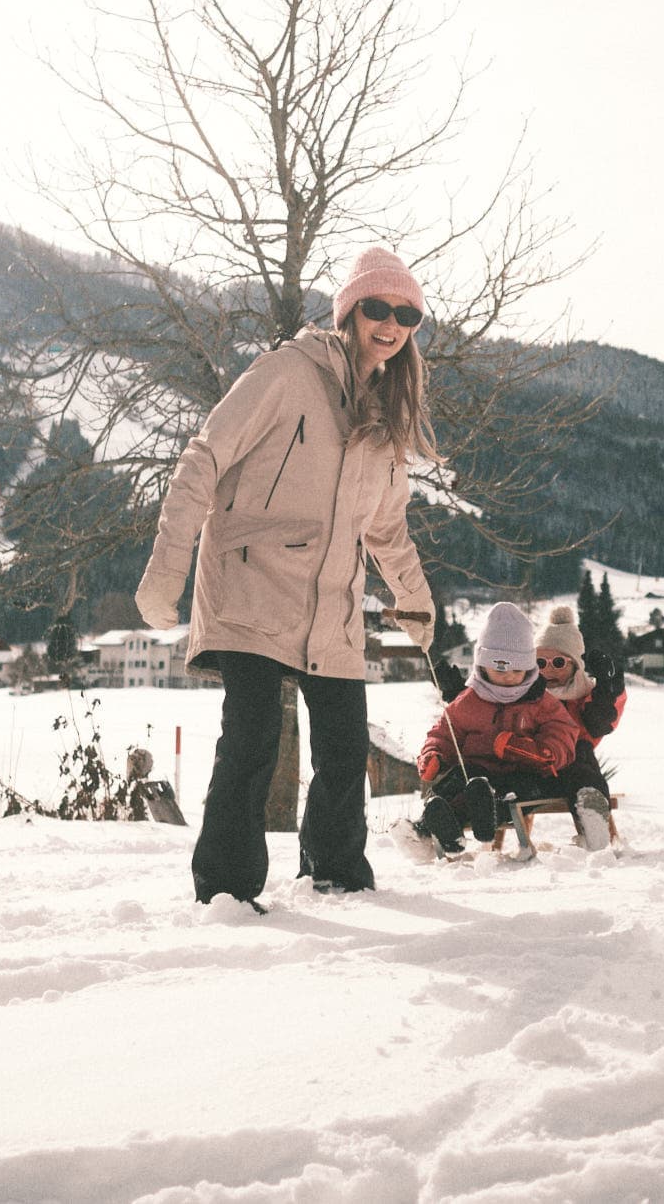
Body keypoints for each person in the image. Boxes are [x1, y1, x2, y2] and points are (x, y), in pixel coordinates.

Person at [136, 246, 437, 907]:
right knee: (252, 741)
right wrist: (167, 570)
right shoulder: (285, 373)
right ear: (349, 311)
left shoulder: (386, 416)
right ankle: (227, 891)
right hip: (251, 583)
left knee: (343, 747)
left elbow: (386, 528)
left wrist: (415, 600)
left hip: (331, 603)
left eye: (407, 315)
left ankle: (335, 874)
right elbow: (203, 458)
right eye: (378, 308)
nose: (391, 324)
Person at [414, 602, 582, 853]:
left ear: (529, 667)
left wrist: (540, 752)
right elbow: (445, 733)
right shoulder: (468, 700)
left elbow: (562, 732)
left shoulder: (540, 701)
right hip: (476, 772)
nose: (508, 676)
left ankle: (487, 814)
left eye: (517, 669)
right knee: (454, 784)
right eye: (500, 668)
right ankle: (438, 825)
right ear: (482, 665)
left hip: (523, 770)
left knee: (517, 792)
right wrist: (434, 755)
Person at [532, 605, 626, 848]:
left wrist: (608, 688)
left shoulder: (584, 695)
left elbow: (601, 723)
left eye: (558, 662)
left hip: (573, 768)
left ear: (575, 665)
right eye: (540, 662)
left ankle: (592, 811)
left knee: (581, 754)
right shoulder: (526, 695)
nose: (548, 670)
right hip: (531, 769)